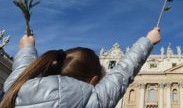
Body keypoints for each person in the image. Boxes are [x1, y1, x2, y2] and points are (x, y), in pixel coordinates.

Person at [0, 27, 161, 108]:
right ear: (93, 81)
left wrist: (27, 46)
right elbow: (123, 71)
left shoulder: (17, 88)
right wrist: (148, 41)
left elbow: (24, 69)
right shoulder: (90, 100)